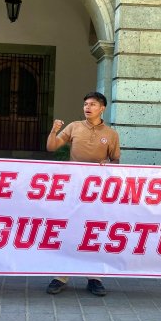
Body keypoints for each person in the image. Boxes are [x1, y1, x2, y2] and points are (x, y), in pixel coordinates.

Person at [45, 91, 120, 296]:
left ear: (102, 108)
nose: (88, 107)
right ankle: (61, 276)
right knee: (69, 229)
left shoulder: (111, 134)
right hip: (73, 188)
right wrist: (54, 130)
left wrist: (108, 164)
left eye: (93, 104)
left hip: (97, 191)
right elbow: (51, 147)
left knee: (94, 231)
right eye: (85, 104)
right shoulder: (73, 127)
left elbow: (116, 161)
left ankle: (94, 277)